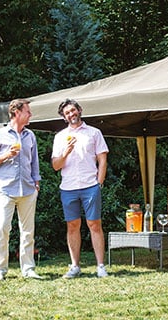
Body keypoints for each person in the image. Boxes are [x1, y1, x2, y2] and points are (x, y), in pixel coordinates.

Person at [0, 99, 42, 282]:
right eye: (28, 112)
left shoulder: (30, 136)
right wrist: (7, 155)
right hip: (6, 190)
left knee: (28, 232)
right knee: (2, 229)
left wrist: (36, 183)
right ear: (17, 113)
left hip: (28, 190)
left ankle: (28, 269)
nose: (30, 115)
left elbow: (34, 162)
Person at [52, 98, 109, 278]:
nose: (71, 114)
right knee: (72, 226)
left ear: (80, 110)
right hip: (68, 187)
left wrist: (99, 182)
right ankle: (75, 266)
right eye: (67, 113)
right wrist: (65, 153)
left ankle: (100, 266)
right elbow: (56, 165)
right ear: (64, 117)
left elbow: (102, 159)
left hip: (90, 185)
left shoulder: (94, 133)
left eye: (73, 110)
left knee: (94, 224)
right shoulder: (60, 137)